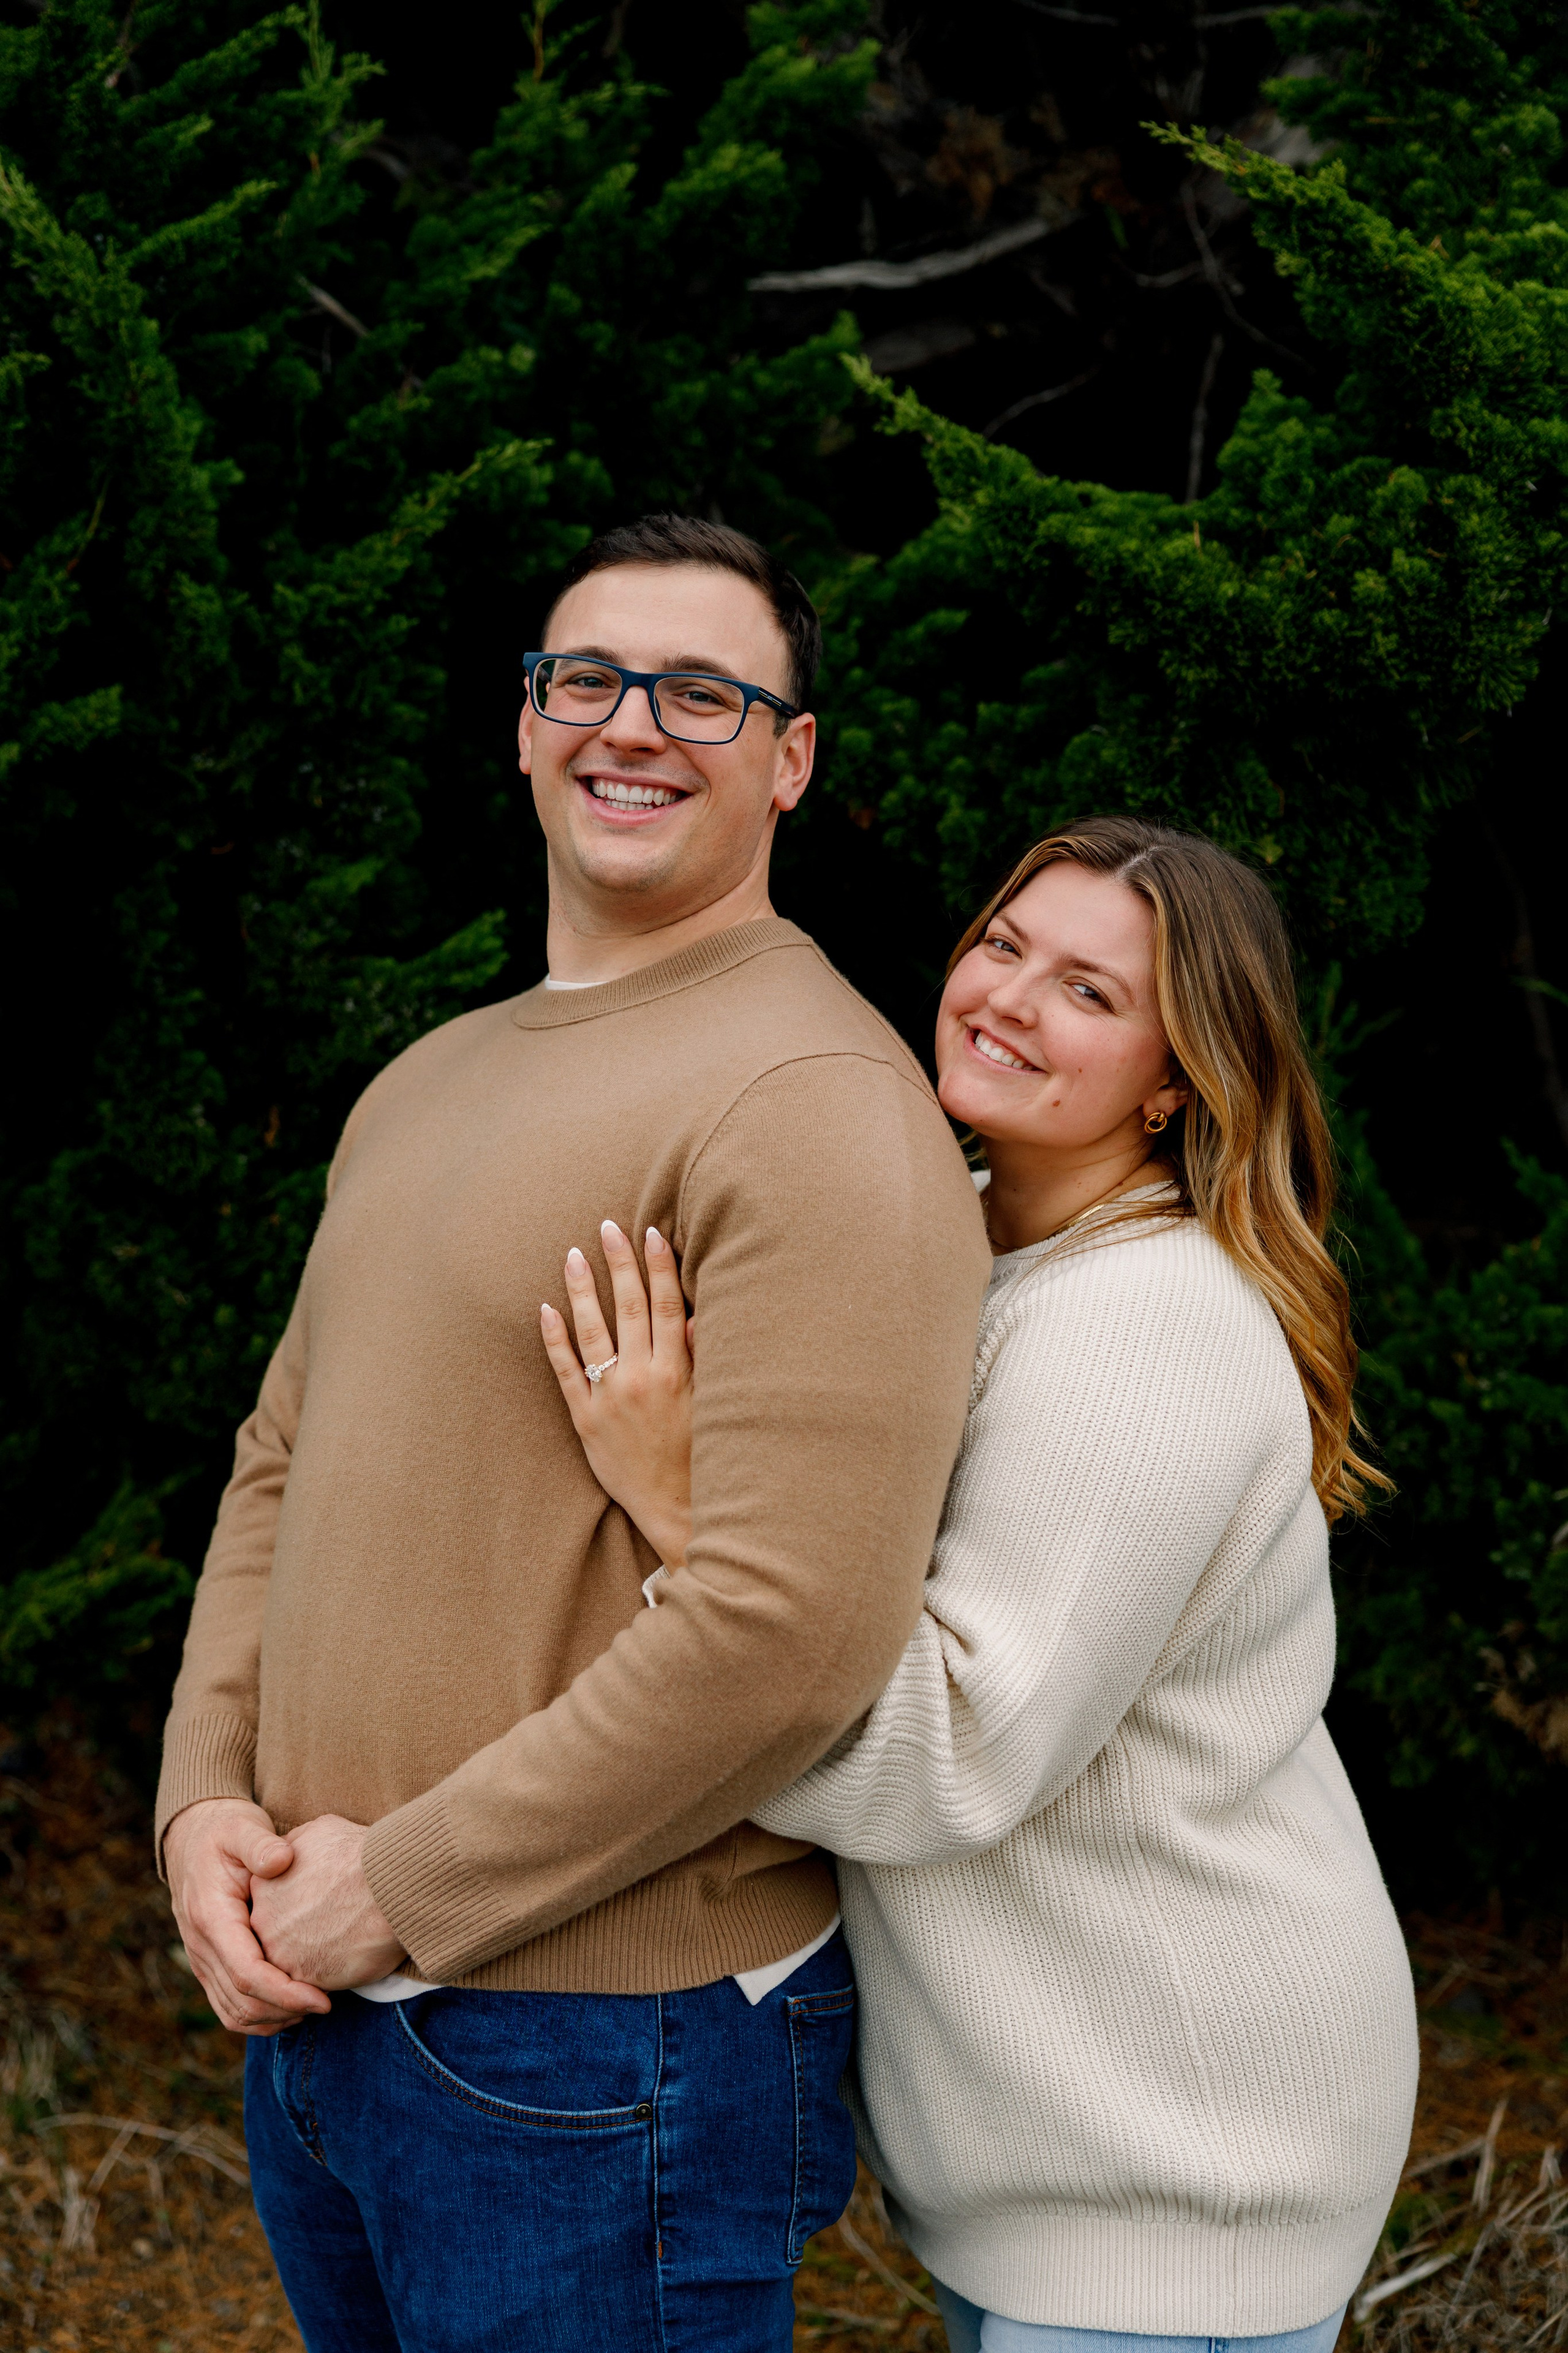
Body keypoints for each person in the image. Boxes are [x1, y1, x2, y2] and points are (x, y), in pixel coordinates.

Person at [154, 513, 992, 2352]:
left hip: (603, 2052)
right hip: (325, 2016)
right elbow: (278, 1460)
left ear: (792, 761)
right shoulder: (429, 1077)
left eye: (704, 690)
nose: (633, 723)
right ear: (526, 724)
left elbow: (793, 1637)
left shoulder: (818, 1107)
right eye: (588, 678)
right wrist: (207, 1799)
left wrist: (407, 1887)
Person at [544, 814, 1420, 2353]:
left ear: (1175, 1079)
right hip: (1058, 2145)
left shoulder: (1142, 1327)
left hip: (1172, 2159)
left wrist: (681, 1503)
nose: (1008, 997)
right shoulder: (966, 1245)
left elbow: (944, 1755)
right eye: (1004, 946)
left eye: (1088, 990)